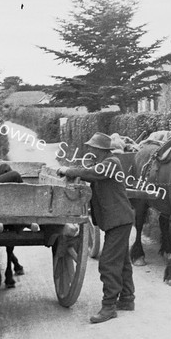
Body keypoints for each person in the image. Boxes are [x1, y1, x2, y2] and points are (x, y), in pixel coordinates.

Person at [57, 132, 135, 324]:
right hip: (116, 221)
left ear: (100, 149)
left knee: (108, 263)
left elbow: (92, 173)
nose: (89, 150)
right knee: (122, 261)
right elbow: (89, 171)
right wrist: (74, 171)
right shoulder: (103, 163)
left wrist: (68, 171)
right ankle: (126, 299)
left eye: (92, 148)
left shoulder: (112, 162)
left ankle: (109, 307)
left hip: (118, 220)